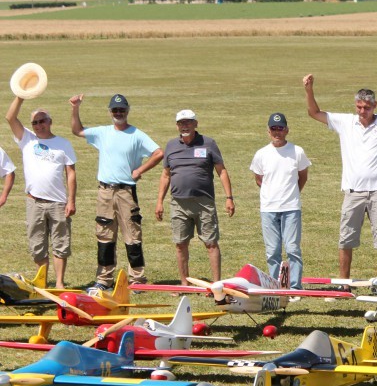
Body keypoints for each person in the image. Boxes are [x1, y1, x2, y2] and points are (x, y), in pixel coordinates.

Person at [303, 75, 377, 277]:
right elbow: (314, 113)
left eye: (367, 107)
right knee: (346, 239)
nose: (362, 111)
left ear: (375, 105)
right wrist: (309, 90)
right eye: (359, 107)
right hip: (352, 192)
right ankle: (344, 282)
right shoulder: (346, 122)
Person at [70, 93, 163, 288]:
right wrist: (75, 107)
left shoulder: (137, 135)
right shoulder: (102, 132)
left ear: (128, 111)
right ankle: (104, 279)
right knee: (104, 235)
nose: (118, 113)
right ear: (110, 112)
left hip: (126, 192)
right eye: (115, 110)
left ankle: (137, 280)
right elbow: (77, 130)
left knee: (132, 235)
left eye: (122, 110)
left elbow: (158, 153)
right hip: (105, 192)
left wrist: (140, 170)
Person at [155, 109, 234, 284]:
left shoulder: (208, 143)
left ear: (195, 123)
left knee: (211, 243)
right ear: (177, 126)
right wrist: (159, 201)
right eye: (181, 123)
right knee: (180, 244)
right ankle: (184, 283)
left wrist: (229, 198)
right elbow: (166, 175)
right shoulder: (171, 146)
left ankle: (216, 285)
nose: (185, 126)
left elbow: (221, 171)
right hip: (178, 203)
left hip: (204, 202)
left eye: (188, 122)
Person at [6, 98, 76, 288]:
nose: (38, 125)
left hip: (58, 202)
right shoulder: (27, 139)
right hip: (34, 202)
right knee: (37, 245)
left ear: (50, 122)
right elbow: (10, 117)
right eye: (35, 122)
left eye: (42, 121)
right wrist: (20, 96)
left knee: (61, 244)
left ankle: (59, 283)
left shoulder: (63, 143)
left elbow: (71, 173)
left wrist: (71, 201)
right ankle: (42, 282)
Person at [250, 113, 310, 297]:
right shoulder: (261, 154)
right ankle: (275, 287)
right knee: (272, 251)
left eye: (280, 128)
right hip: (268, 208)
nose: (277, 132)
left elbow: (302, 177)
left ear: (287, 130)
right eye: (273, 128)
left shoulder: (297, 151)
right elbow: (259, 179)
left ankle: (295, 288)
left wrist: (292, 193)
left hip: (291, 208)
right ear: (268, 131)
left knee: (292, 248)